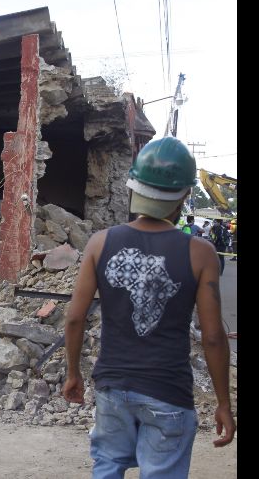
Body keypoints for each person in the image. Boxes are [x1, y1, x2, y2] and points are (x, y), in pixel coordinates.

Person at [63, 136, 235, 478]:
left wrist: (73, 373)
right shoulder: (200, 253)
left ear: (135, 187)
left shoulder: (100, 243)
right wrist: (223, 403)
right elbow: (214, 336)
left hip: (113, 387)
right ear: (184, 195)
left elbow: (74, 319)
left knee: (108, 465)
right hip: (168, 392)